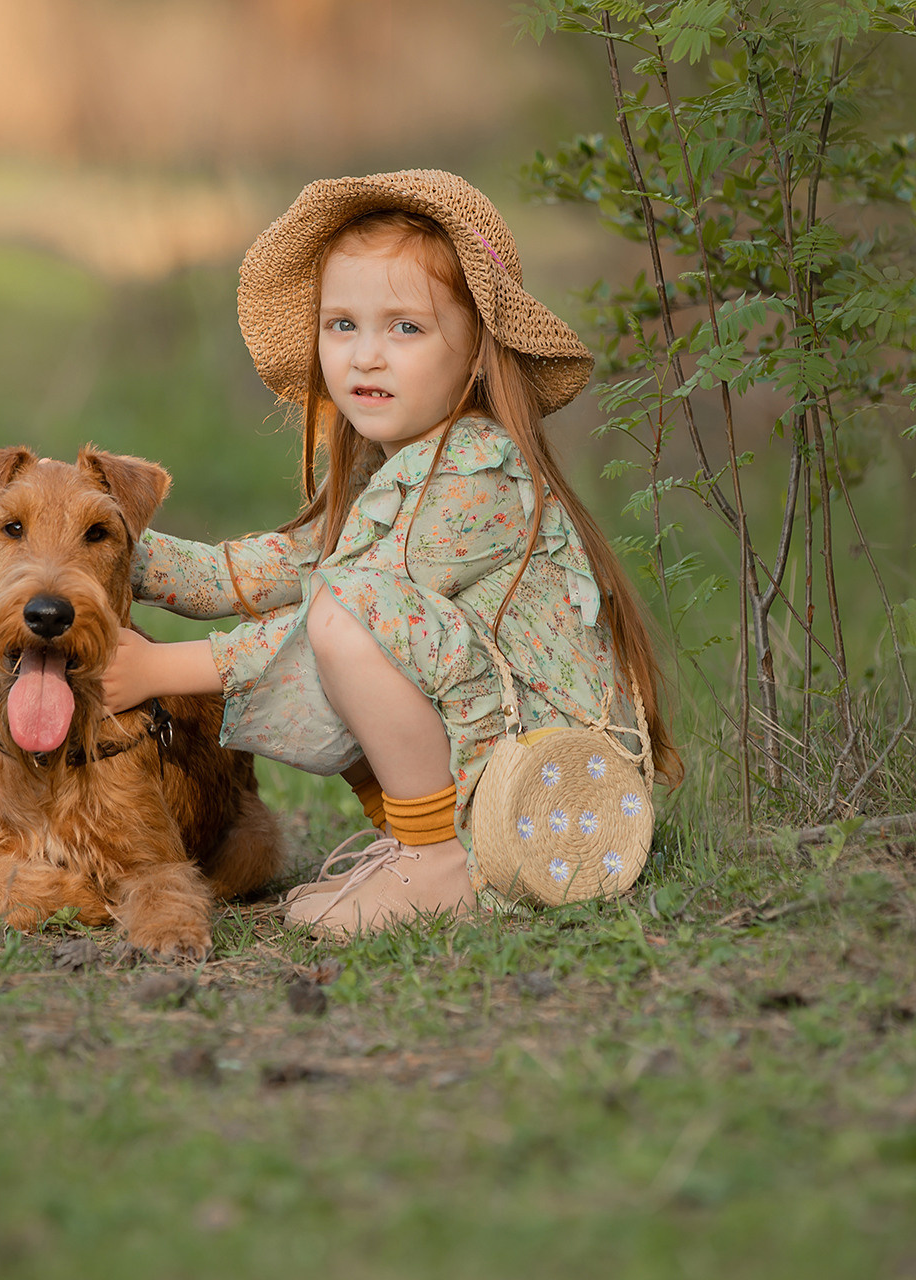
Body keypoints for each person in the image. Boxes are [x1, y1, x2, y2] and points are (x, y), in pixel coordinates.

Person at [101, 169, 682, 935]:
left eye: (404, 327)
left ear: (477, 350)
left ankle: (435, 859)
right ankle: (413, 845)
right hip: (493, 756)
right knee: (338, 604)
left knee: (347, 615)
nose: (365, 356)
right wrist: (104, 543)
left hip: (549, 786)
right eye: (342, 324)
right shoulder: (394, 472)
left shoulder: (479, 472)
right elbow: (261, 571)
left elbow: (342, 617)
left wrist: (162, 670)